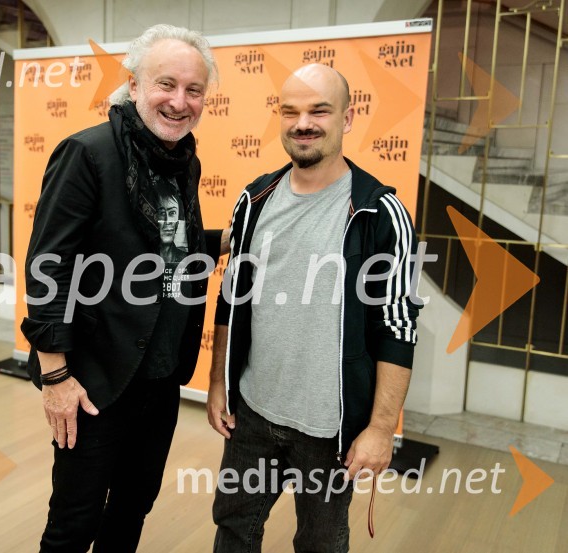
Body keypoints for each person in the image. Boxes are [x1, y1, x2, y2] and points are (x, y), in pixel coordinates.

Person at [21, 24, 226, 553]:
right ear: (133, 85)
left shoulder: (183, 159)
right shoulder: (88, 154)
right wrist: (57, 376)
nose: (180, 102)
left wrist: (235, 235)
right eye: (166, 84)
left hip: (159, 377)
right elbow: (49, 267)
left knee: (134, 505)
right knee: (75, 520)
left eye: (194, 90)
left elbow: (168, 248)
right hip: (94, 381)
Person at [207, 63, 421, 552]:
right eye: (291, 111)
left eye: (319, 110)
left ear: (347, 119)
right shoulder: (254, 200)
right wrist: (218, 382)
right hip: (253, 415)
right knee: (235, 527)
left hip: (330, 429)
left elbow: (398, 327)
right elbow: (230, 301)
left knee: (321, 543)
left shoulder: (379, 214)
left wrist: (381, 428)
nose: (303, 123)